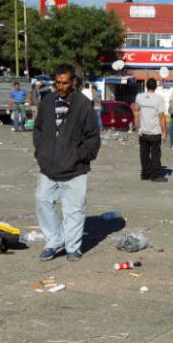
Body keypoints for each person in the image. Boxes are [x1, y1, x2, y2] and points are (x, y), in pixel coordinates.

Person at [32, 64, 100, 262]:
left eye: (64, 83)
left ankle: (73, 247)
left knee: (74, 210)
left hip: (75, 168)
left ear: (73, 82)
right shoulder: (47, 102)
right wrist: (41, 153)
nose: (60, 87)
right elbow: (38, 130)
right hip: (48, 166)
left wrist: (79, 156)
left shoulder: (83, 104)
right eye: (57, 83)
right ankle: (54, 240)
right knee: (42, 201)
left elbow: (93, 137)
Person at [132, 78, 168, 182]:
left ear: (146, 86)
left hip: (143, 131)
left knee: (144, 154)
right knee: (155, 154)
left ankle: (145, 174)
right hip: (155, 132)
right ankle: (155, 175)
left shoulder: (139, 97)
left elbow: (136, 110)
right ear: (155, 87)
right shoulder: (159, 99)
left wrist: (136, 126)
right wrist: (165, 131)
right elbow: (162, 116)